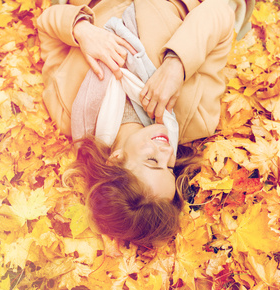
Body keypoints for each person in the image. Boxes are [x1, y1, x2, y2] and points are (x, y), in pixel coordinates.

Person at [37, 0, 255, 245]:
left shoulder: (68, 110)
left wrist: (81, 30)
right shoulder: (196, 118)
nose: (166, 152)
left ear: (117, 159)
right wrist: (178, 65)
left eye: (153, 161)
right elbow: (219, 14)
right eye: (169, 168)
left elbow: (47, 25)